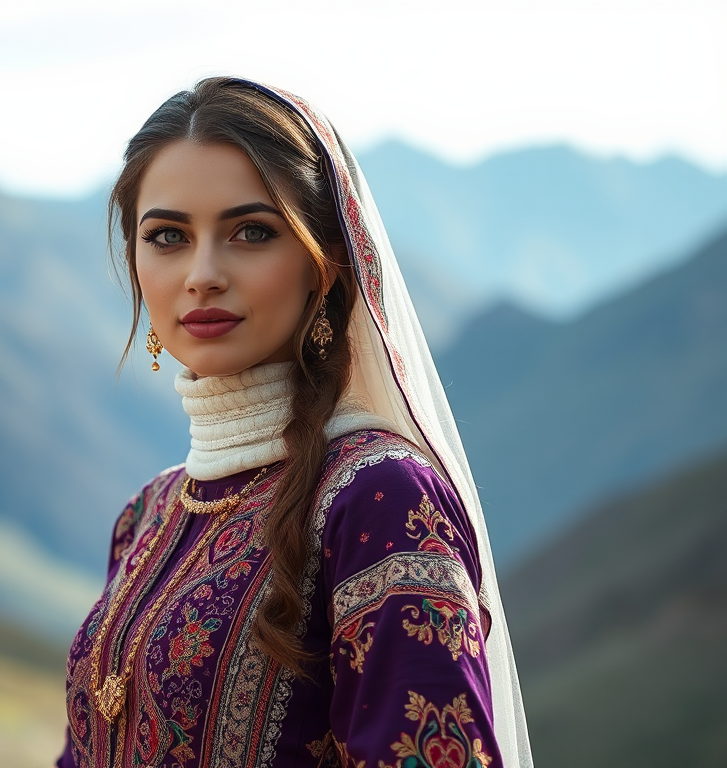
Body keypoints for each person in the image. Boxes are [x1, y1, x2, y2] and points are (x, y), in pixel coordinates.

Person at [58, 77, 533, 768]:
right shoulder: (148, 515)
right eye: (166, 236)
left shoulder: (380, 497)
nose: (202, 274)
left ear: (326, 265)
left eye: (252, 232)